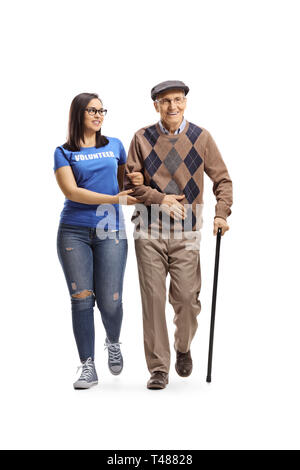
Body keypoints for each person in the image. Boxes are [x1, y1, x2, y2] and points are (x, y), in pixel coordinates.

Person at [124, 80, 233, 390]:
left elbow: (222, 180)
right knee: (154, 299)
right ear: (155, 105)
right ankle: (159, 368)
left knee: (187, 299)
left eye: (178, 100)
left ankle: (183, 346)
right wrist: (161, 199)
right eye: (165, 101)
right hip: (148, 228)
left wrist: (221, 213)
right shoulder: (141, 138)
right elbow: (132, 184)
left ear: (185, 101)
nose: (172, 106)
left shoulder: (202, 138)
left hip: (187, 231)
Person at [54, 92, 142, 389]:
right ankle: (87, 365)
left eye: (102, 110)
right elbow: (72, 192)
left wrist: (136, 188)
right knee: (81, 300)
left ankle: (113, 341)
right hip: (74, 229)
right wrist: (114, 199)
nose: (98, 115)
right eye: (92, 110)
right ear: (78, 114)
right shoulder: (63, 152)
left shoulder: (115, 146)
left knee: (111, 302)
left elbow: (126, 182)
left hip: (109, 227)